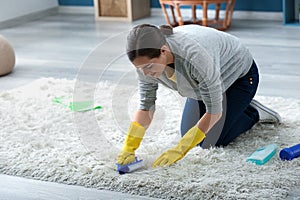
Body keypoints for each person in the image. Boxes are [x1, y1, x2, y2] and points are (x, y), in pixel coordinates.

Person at [116, 24, 281, 168]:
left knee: (212, 140)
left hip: (239, 78)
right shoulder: (146, 63)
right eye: (139, 68)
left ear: (163, 51)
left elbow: (214, 112)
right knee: (188, 132)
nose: (145, 73)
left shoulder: (196, 57)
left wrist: (180, 149)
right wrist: (129, 147)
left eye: (148, 67)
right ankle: (235, 106)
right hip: (202, 87)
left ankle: (253, 112)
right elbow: (146, 107)